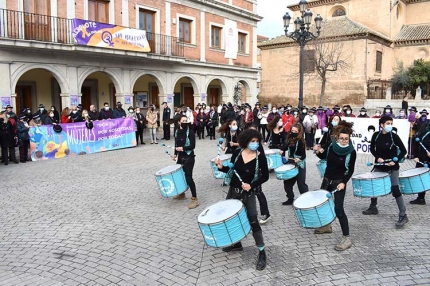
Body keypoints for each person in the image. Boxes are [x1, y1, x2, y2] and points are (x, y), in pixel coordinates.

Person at [214, 128, 269, 270]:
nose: (255, 144)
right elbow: (232, 171)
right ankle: (236, 244)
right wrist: (221, 167)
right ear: (246, 141)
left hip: (248, 194)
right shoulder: (237, 153)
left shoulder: (259, 156)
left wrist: (251, 185)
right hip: (233, 191)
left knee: (253, 222)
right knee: (232, 218)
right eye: (253, 141)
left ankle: (262, 252)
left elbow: (265, 176)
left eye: (257, 141)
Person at [314, 120, 356, 251]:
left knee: (338, 209)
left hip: (339, 183)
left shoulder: (351, 152)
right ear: (337, 138)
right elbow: (322, 155)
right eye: (342, 138)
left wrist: (344, 182)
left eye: (346, 139)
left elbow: (350, 170)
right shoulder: (331, 146)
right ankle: (326, 226)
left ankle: (346, 237)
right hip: (327, 180)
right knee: (324, 204)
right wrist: (318, 150)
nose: (344, 141)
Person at [363, 116, 409, 228]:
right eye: (388, 123)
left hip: (393, 167)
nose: (390, 125)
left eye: (391, 123)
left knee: (395, 189)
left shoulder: (394, 136)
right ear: (382, 124)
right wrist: (378, 157)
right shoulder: (376, 135)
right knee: (373, 184)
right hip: (380, 165)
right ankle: (373, 207)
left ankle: (403, 215)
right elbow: (372, 148)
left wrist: (396, 160)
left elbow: (404, 151)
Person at [172, 114, 198, 209]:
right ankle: (182, 194)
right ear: (179, 122)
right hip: (180, 157)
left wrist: (182, 148)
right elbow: (176, 144)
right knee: (179, 176)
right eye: (183, 120)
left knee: (188, 178)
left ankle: (194, 198)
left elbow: (192, 146)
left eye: (186, 120)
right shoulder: (177, 131)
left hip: (189, 157)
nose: (185, 122)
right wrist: (175, 154)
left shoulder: (190, 132)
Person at [280, 123, 309, 205]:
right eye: (292, 131)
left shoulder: (301, 141)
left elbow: (304, 155)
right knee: (287, 183)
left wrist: (299, 159)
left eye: (295, 131)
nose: (293, 132)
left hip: (300, 164)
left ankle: (306, 199)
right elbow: (285, 147)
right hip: (291, 163)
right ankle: (290, 198)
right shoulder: (289, 139)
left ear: (299, 132)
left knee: (301, 184)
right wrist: (282, 150)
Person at [410, 123, 430, 205]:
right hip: (422, 161)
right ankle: (421, 198)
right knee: (421, 179)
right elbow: (416, 143)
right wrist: (415, 156)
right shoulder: (425, 133)